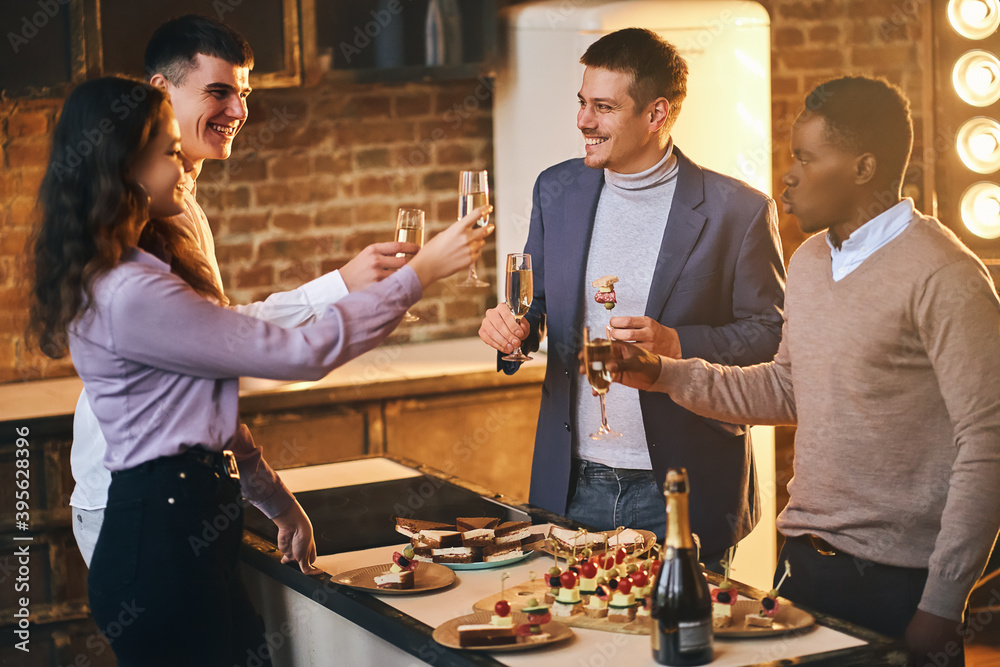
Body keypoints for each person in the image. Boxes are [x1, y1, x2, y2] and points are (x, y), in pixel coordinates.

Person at [27, 76, 491, 667]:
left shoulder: (134, 271)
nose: (183, 170)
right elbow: (298, 353)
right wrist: (418, 275)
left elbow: (201, 413)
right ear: (127, 166)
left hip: (180, 526)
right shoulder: (132, 292)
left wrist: (274, 498)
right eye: (169, 152)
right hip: (159, 544)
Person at [601, 76, 1000, 664]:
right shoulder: (812, 260)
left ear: (863, 168)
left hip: (902, 582)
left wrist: (942, 602)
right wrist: (665, 374)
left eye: (807, 159)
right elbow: (788, 387)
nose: (788, 175)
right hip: (803, 564)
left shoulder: (945, 276)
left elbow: (988, 443)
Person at [69, 15, 418, 570]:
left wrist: (345, 284)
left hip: (175, 496)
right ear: (161, 92)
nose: (239, 111)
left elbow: (215, 345)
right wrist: (400, 285)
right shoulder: (153, 229)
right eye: (219, 92)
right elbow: (238, 350)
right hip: (133, 507)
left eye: (244, 93)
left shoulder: (179, 210)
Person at [477, 28, 785, 560]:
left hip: (682, 486)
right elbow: (539, 304)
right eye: (582, 103)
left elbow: (771, 339)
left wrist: (676, 342)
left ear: (657, 114)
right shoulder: (556, 189)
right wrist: (516, 331)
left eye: (603, 107)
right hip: (572, 481)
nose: (583, 121)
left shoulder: (740, 210)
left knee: (680, 639)